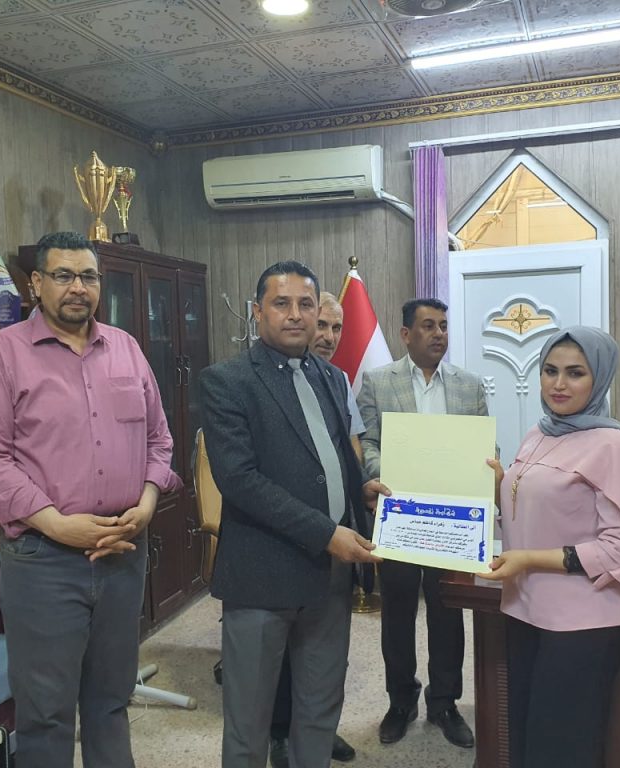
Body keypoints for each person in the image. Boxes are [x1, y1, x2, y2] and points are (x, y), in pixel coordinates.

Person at [0, 231, 180, 768]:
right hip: (44, 559)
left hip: (123, 552)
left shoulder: (126, 348)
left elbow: (159, 439)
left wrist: (147, 502)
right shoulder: (3, 353)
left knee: (111, 700)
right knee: (45, 714)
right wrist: (58, 525)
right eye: (63, 275)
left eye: (88, 276)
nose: (77, 287)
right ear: (36, 284)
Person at [200, 261, 388, 768]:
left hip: (329, 578)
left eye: (306, 304)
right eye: (281, 303)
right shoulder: (227, 381)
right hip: (262, 576)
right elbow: (240, 481)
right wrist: (328, 533)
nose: (296, 315)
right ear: (257, 311)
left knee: (319, 711)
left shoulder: (331, 376)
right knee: (249, 724)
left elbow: (334, 454)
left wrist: (360, 491)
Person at [481, 326, 620, 768]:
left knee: (561, 750)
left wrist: (528, 559)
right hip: (525, 608)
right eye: (550, 371)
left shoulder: (615, 446)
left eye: (575, 373)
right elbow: (539, 514)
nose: (558, 384)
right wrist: (498, 490)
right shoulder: (539, 433)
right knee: (526, 741)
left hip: (583, 623)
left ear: (599, 378)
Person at [356, 298, 486, 749]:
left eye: (444, 326)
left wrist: (486, 471)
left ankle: (445, 702)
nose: (439, 334)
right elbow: (368, 443)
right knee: (397, 611)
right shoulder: (378, 381)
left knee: (448, 611)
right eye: (428, 326)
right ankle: (401, 701)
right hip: (401, 516)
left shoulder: (470, 386)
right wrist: (387, 474)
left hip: (452, 523)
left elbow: (484, 448)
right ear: (406, 334)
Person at [268, 291, 362, 768]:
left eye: (335, 328)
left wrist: (361, 490)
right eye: (321, 324)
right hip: (285, 540)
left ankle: (318, 731)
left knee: (325, 651)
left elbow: (350, 449)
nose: (327, 336)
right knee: (284, 649)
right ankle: (280, 732)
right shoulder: (269, 380)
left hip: (336, 540)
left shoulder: (337, 380)